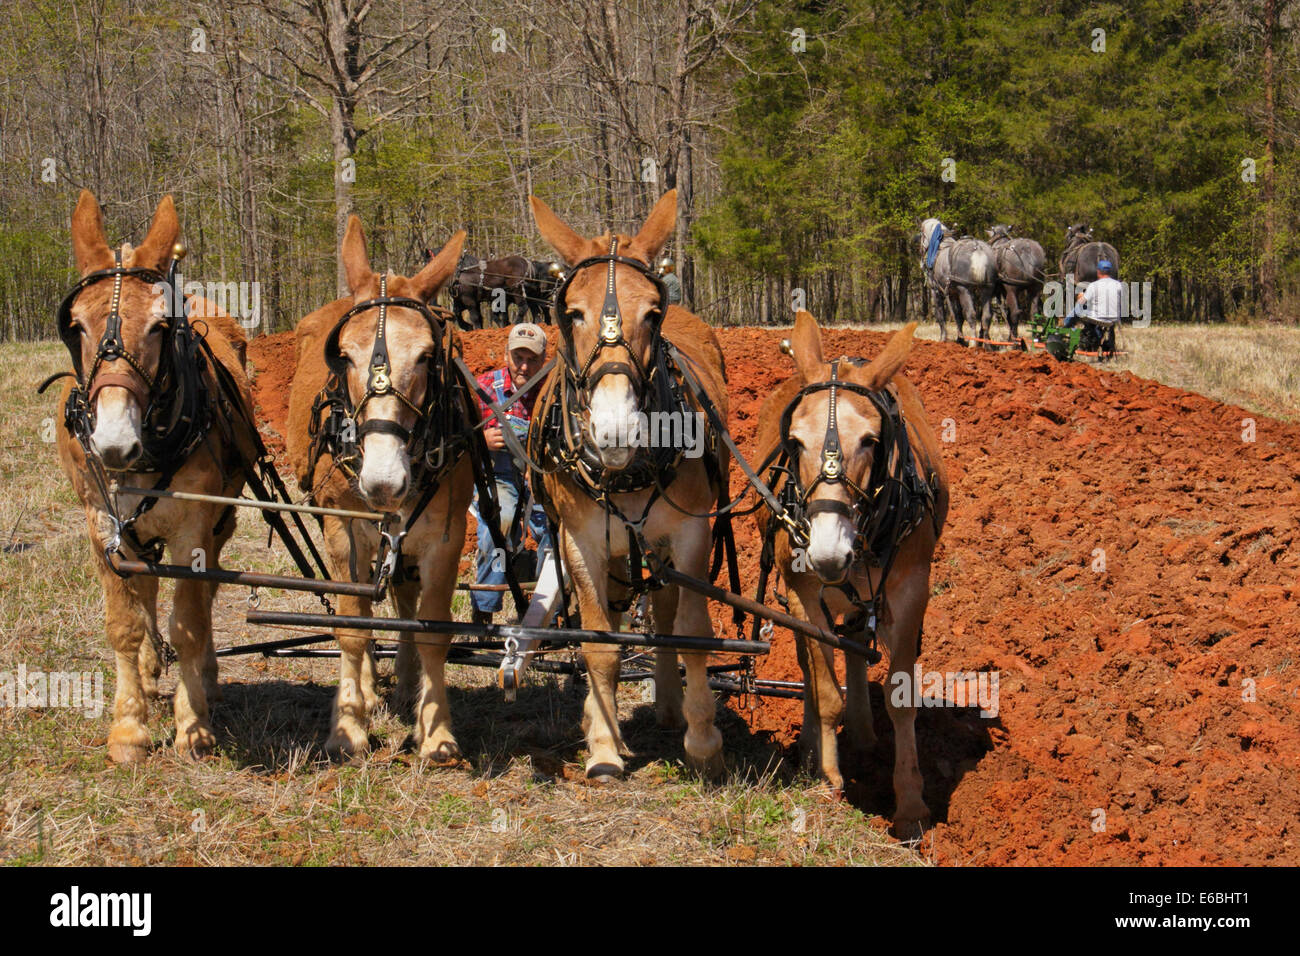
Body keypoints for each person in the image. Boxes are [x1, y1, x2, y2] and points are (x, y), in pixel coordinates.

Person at [470, 323, 551, 624]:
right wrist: (482, 440)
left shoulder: (550, 390)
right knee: (499, 524)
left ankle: (544, 614)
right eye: (518, 357)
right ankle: (485, 610)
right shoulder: (484, 387)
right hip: (498, 475)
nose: (524, 366)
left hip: (541, 475)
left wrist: (539, 465)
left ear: (544, 360)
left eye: (532, 359)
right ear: (506, 355)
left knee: (552, 532)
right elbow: (460, 434)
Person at [1063, 259, 1124, 350]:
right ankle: (1096, 338)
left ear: (1098, 272)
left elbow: (1082, 301)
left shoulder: (1093, 285)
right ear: (1110, 272)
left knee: (1079, 306)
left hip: (1098, 318)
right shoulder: (1119, 285)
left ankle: (1068, 326)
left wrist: (1080, 296)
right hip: (1113, 319)